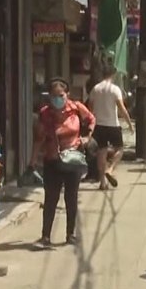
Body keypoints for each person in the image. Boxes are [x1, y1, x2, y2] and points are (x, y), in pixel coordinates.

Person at [31, 78, 94, 248]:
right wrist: (32, 161)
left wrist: (87, 137)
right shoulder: (45, 113)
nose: (57, 99)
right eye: (53, 96)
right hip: (52, 160)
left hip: (73, 159)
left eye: (60, 95)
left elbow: (91, 119)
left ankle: (70, 234)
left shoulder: (76, 108)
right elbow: (38, 139)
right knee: (51, 199)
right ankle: (45, 236)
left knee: (71, 198)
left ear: (67, 94)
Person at [88, 68, 134, 190]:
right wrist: (129, 123)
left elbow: (90, 109)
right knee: (119, 150)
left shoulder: (95, 89)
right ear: (112, 76)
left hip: (98, 125)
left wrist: (89, 125)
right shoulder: (115, 89)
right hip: (113, 124)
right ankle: (110, 168)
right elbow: (121, 108)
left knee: (101, 152)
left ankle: (102, 182)